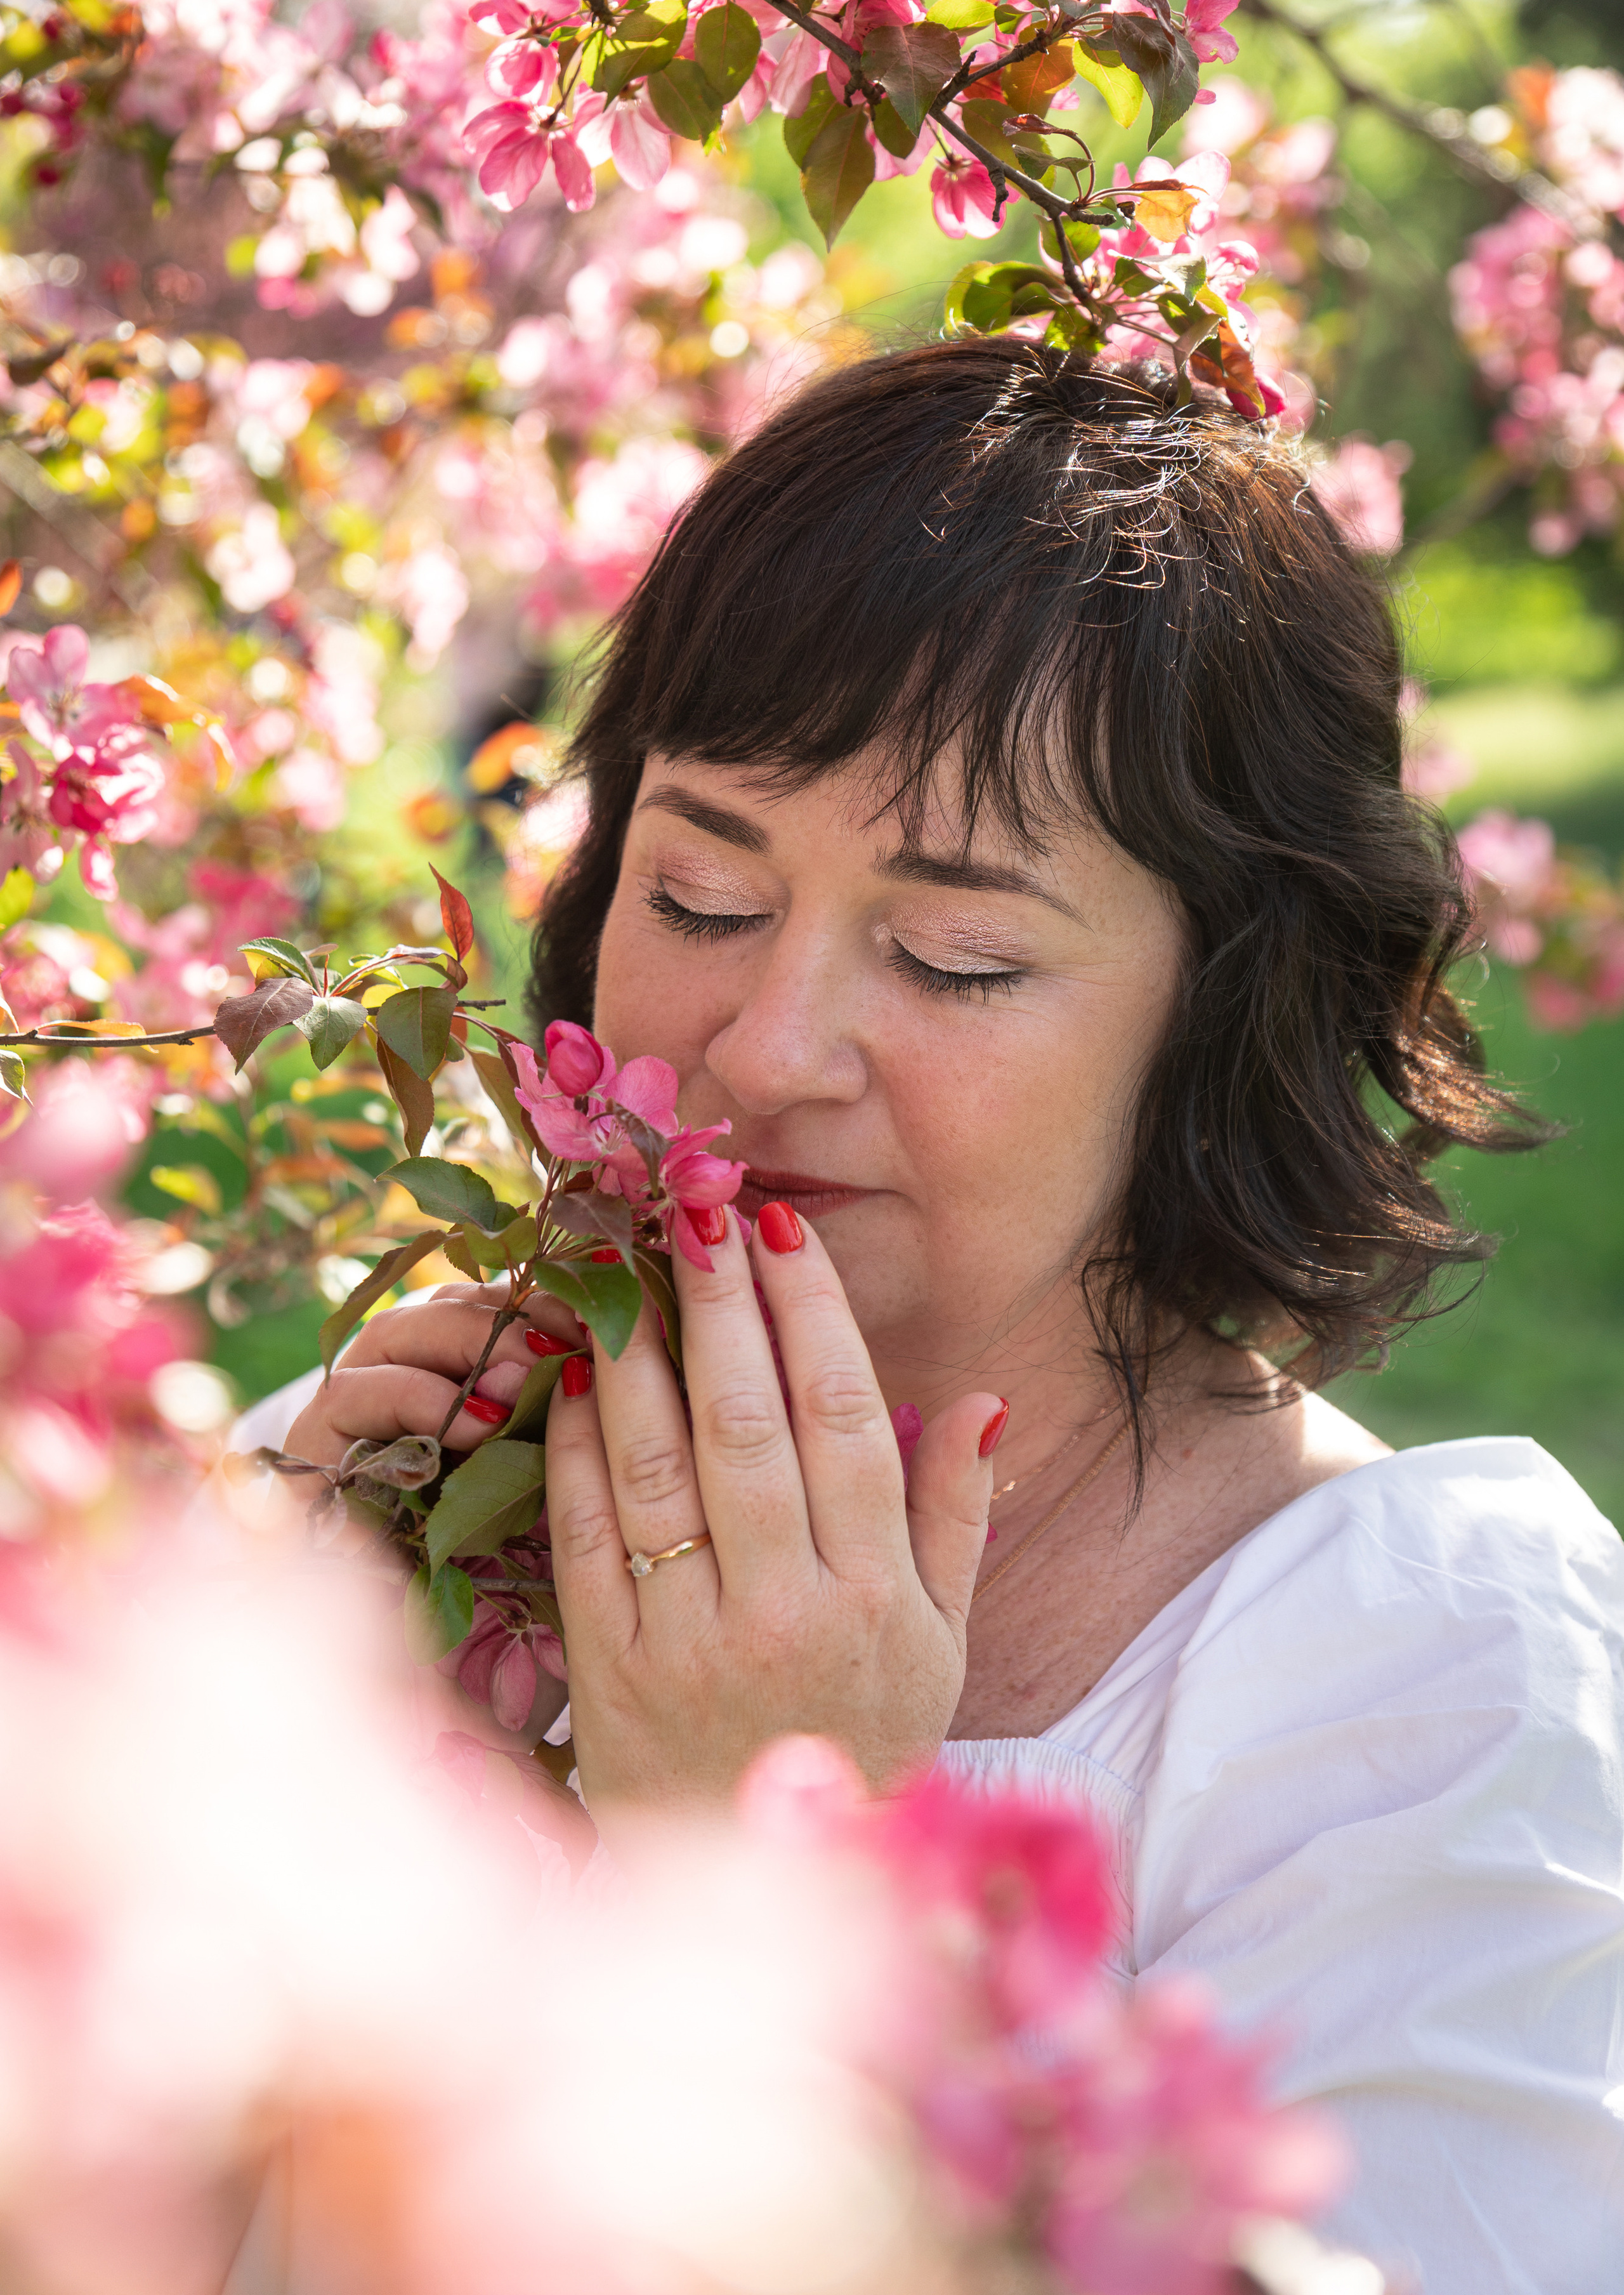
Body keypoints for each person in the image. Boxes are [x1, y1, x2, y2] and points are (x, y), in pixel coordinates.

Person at [251, 341, 1624, 2292]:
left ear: (1226, 1015)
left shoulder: (1424, 1694)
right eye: (703, 899)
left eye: (956, 956)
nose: (772, 1045)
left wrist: (784, 1876)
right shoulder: (367, 1484)